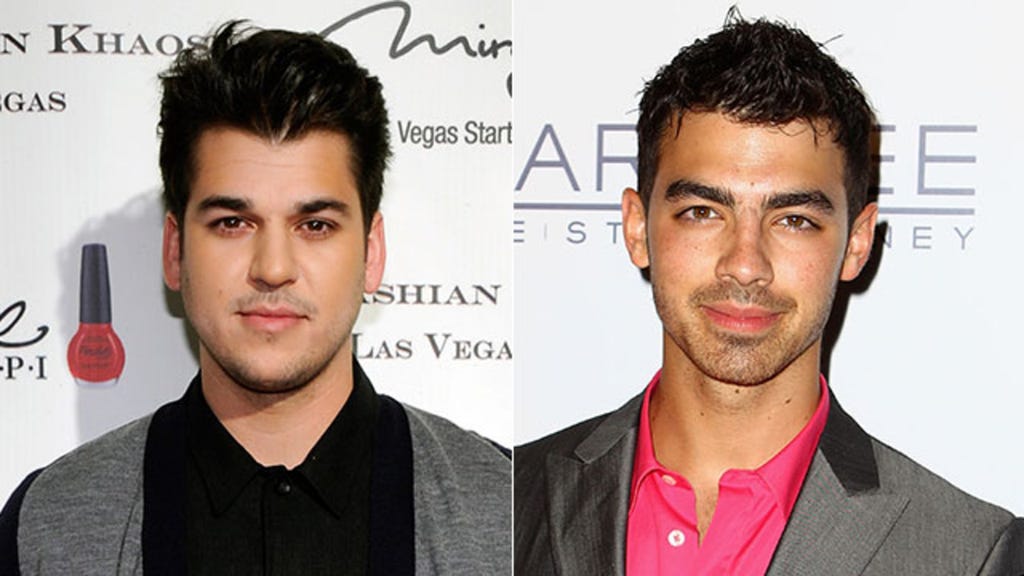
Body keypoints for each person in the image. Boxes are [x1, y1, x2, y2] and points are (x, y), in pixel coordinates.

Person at [514, 14, 1023, 575]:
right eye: (703, 212)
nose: (745, 265)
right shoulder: (511, 497)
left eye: (794, 220)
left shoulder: (970, 553)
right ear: (637, 228)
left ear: (856, 243)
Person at [0, 22, 510, 575]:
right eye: (232, 222)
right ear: (174, 250)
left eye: (315, 225)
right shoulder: (47, 529)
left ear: (371, 253)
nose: (272, 269)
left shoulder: (506, 511)